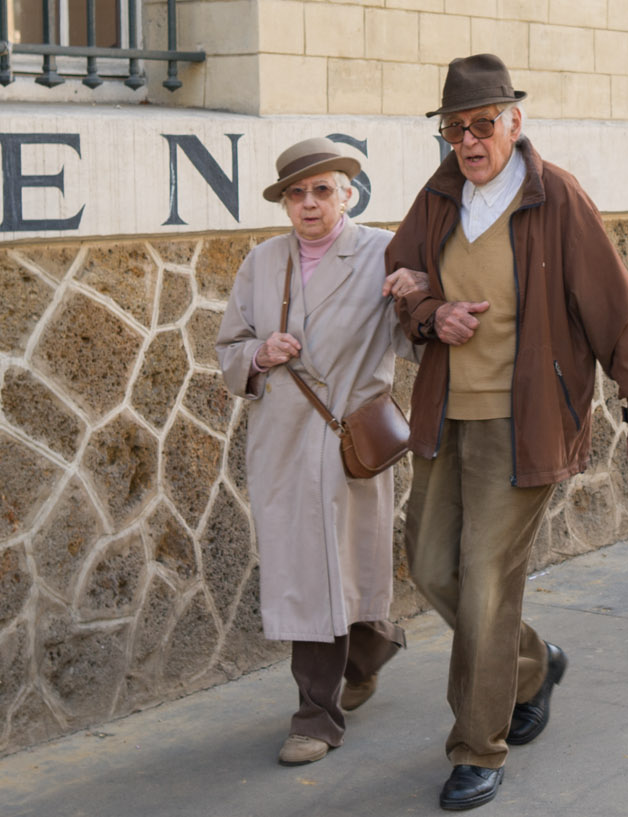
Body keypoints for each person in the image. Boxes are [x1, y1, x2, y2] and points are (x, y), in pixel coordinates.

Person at [381, 54, 628, 810]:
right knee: (433, 566)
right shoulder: (440, 196)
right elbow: (403, 275)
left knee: (483, 583)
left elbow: (621, 312)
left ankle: (478, 746)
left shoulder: (556, 199)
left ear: (515, 121)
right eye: (455, 130)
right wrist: (428, 313)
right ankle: (533, 665)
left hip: (526, 424)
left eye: (483, 124)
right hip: (447, 417)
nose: (470, 142)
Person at [215, 137, 414, 766]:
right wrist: (257, 355)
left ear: (348, 193)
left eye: (322, 190)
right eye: (295, 194)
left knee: (341, 570)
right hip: (282, 440)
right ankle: (335, 693)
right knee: (310, 578)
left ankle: (326, 703)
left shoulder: (384, 252)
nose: (308, 204)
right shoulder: (263, 262)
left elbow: (419, 336)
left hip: (347, 440)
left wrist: (422, 295)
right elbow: (228, 348)